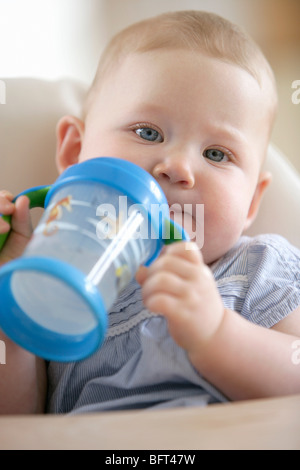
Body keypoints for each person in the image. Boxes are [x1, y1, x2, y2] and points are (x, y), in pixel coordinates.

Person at [1, 10, 300, 415]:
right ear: (75, 153)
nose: (176, 167)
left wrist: (217, 334)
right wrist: (14, 307)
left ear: (250, 203)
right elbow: (17, 424)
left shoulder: (256, 269)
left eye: (216, 153)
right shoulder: (57, 272)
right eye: (148, 132)